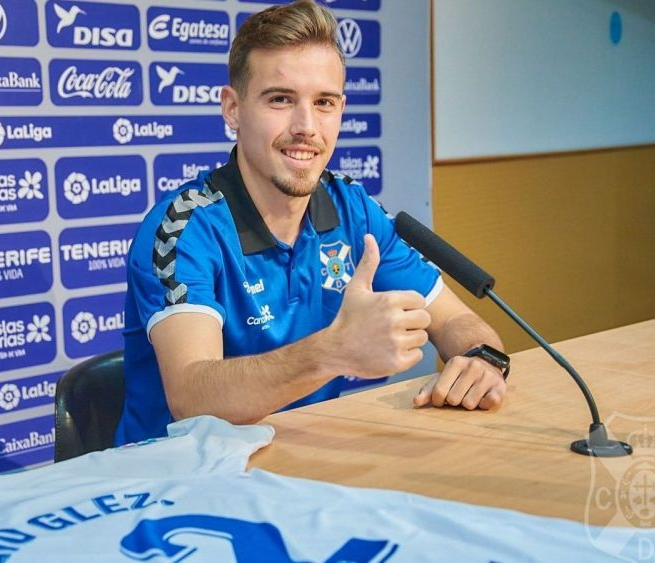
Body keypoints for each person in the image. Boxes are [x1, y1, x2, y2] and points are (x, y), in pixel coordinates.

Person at [115, 0, 508, 445]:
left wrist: (481, 360)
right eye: (280, 99)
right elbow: (193, 396)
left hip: (303, 465)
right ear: (233, 109)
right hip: (177, 484)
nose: (306, 126)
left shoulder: (354, 209)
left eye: (323, 103)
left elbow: (458, 322)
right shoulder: (182, 229)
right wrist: (333, 350)